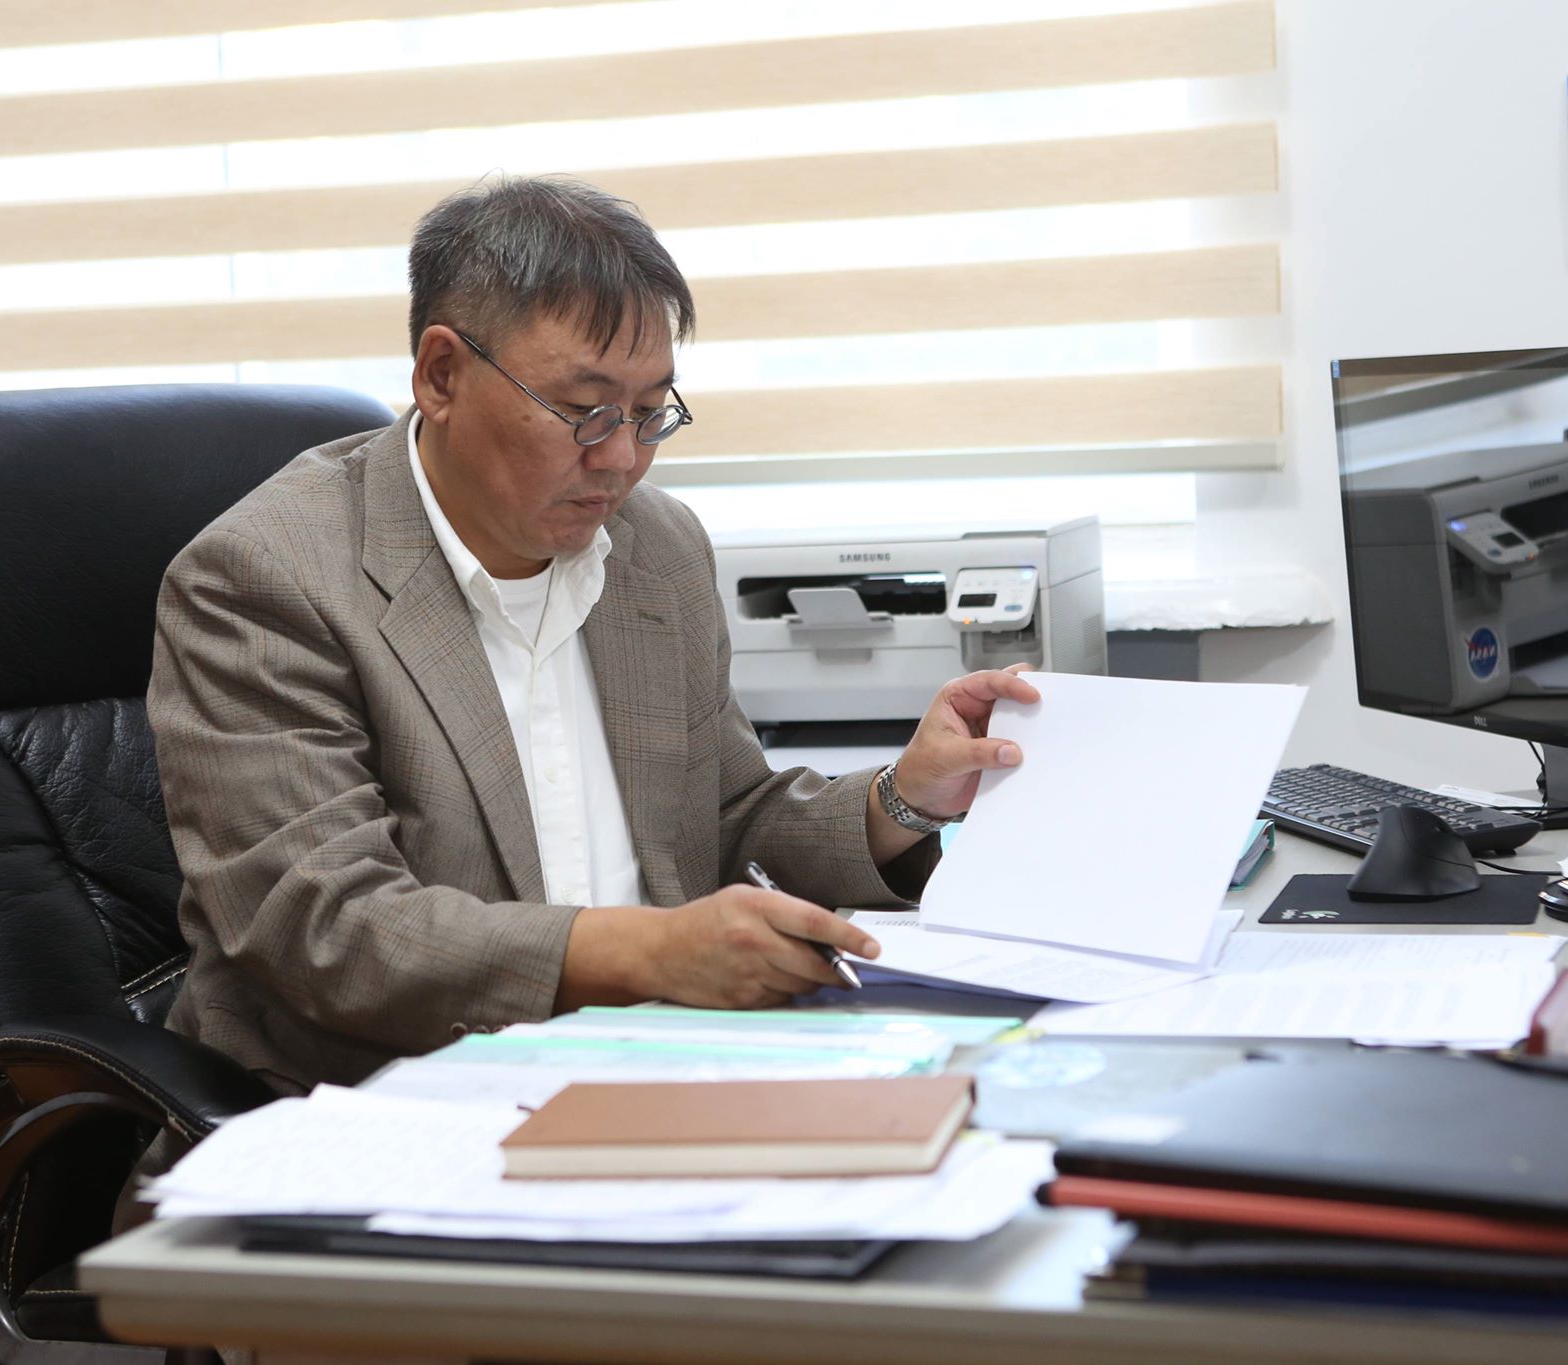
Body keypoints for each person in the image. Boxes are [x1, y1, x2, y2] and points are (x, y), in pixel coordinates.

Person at [146, 175, 1040, 1097]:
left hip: (656, 1068)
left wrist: (906, 797)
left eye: (651, 412)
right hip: (379, 1096)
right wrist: (649, 952)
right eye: (586, 409)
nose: (621, 458)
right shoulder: (266, 578)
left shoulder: (656, 547)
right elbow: (330, 928)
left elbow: (723, 820)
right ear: (442, 374)